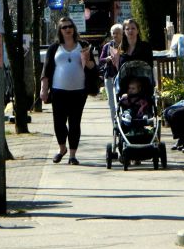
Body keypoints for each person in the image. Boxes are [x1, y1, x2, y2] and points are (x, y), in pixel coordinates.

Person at [40, 16, 94, 165]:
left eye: (70, 26)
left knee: (75, 122)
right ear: (60, 30)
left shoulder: (83, 45)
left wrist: (87, 59)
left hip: (79, 91)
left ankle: (72, 155)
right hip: (58, 91)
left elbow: (91, 67)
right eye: (64, 27)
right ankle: (62, 149)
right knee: (59, 122)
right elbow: (46, 69)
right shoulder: (54, 48)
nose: (68, 29)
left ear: (74, 28)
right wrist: (44, 89)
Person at [99, 23, 123, 126]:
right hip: (110, 76)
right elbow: (100, 60)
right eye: (114, 33)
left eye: (118, 33)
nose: (115, 35)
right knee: (112, 103)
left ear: (122, 34)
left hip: (122, 77)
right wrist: (107, 59)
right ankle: (115, 125)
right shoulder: (107, 46)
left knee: (121, 101)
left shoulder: (126, 45)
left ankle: (123, 123)